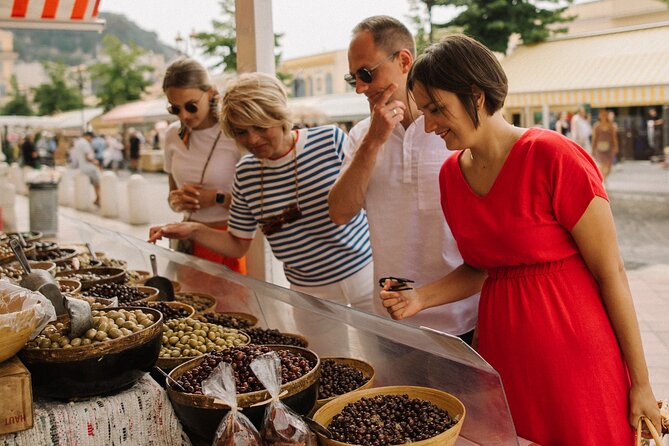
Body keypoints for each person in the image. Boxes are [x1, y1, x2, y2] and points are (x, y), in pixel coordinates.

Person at [379, 34, 661, 445]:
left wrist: (641, 382)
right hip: (504, 352)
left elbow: (612, 271)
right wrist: (421, 298)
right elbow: (484, 265)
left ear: (475, 96)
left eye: (437, 108)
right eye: (424, 111)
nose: (428, 124)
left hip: (575, 350)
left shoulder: (553, 156)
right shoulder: (450, 175)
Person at [149, 72, 374, 308]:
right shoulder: (246, 173)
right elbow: (237, 244)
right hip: (308, 292)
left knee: (380, 346)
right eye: (241, 132)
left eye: (259, 126)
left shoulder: (330, 140)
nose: (253, 139)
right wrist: (192, 229)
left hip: (365, 276)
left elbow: (371, 199)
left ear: (278, 115)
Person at [327, 15, 479, 343]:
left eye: (366, 74)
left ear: (404, 60)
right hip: (389, 319)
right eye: (352, 78)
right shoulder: (361, 136)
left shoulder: (455, 128)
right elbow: (339, 213)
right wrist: (374, 141)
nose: (360, 88)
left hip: (461, 316)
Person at [159, 57, 246, 274]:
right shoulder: (172, 135)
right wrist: (178, 200)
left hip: (229, 240)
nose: (184, 116)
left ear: (210, 92)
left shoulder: (233, 133)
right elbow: (172, 196)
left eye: (191, 106)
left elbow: (258, 205)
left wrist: (216, 198)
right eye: (175, 109)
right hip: (188, 240)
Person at [71, 131, 101, 205]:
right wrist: (95, 162)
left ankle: (97, 198)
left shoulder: (78, 142)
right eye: (91, 138)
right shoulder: (85, 143)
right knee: (98, 182)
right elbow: (88, 156)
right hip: (89, 167)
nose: (91, 140)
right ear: (88, 136)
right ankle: (99, 198)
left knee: (94, 183)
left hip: (82, 166)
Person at [591, 108, 619, 181]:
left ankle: (604, 178)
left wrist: (615, 147)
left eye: (604, 114)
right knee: (602, 165)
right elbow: (594, 139)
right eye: (601, 114)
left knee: (609, 166)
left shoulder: (611, 126)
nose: (603, 116)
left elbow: (614, 137)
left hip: (609, 148)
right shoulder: (596, 126)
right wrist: (593, 149)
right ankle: (602, 180)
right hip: (599, 148)